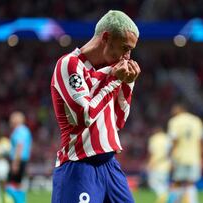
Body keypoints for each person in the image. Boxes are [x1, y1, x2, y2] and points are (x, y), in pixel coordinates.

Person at [50, 10, 141, 203]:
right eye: (124, 48)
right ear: (106, 37)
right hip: (79, 165)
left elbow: (118, 122)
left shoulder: (110, 70)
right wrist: (115, 81)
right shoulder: (70, 65)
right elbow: (84, 116)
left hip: (110, 166)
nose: (127, 56)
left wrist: (128, 83)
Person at [167, 102, 203, 203]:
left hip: (179, 157)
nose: (172, 112)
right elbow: (201, 141)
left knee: (177, 183)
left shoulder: (175, 121)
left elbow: (174, 141)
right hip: (194, 157)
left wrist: (170, 158)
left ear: (179, 109)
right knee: (191, 184)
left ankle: (175, 201)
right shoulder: (196, 121)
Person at [5, 111, 33, 203]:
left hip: (18, 159)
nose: (10, 120)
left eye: (12, 118)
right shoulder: (25, 130)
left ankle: (19, 201)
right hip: (23, 159)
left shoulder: (19, 130)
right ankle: (20, 200)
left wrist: (15, 163)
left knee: (10, 185)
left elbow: (19, 146)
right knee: (18, 184)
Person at [147, 126, 171, 203]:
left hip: (156, 164)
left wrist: (150, 164)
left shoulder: (153, 138)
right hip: (166, 165)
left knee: (153, 183)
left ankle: (163, 197)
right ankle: (165, 197)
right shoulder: (167, 138)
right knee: (163, 183)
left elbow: (152, 152)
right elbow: (170, 152)